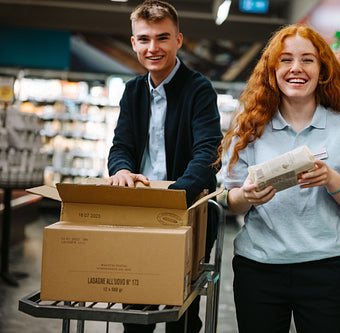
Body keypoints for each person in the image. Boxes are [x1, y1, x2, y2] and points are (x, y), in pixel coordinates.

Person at [219, 24, 340, 333]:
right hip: (259, 268)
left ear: (323, 69)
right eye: (286, 59)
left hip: (325, 271)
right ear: (272, 69)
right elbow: (230, 199)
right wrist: (246, 196)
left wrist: (332, 180)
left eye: (307, 59)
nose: (296, 68)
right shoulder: (248, 127)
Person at [106, 1, 222, 332]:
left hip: (188, 214)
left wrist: (174, 197)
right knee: (136, 314)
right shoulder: (131, 92)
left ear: (178, 40)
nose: (153, 48)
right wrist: (121, 170)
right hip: (140, 214)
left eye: (162, 38)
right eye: (144, 39)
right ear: (133, 43)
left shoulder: (199, 89)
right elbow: (121, 146)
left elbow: (207, 152)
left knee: (182, 315)